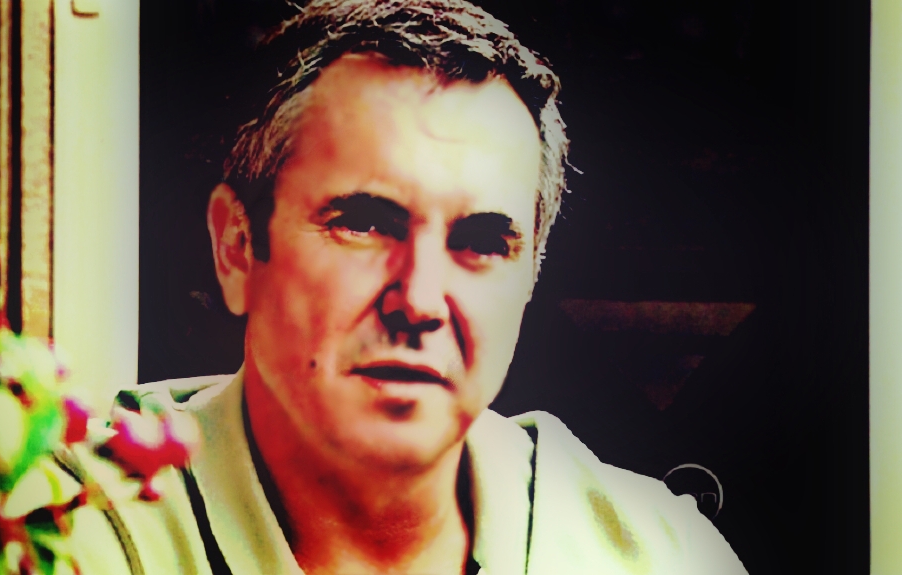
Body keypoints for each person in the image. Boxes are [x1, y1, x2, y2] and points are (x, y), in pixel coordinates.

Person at [64, 1, 749, 573]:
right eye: (362, 224)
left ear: (530, 277)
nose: (418, 301)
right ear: (237, 248)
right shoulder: (58, 532)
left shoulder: (658, 555)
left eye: (482, 242)